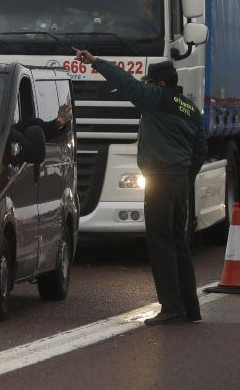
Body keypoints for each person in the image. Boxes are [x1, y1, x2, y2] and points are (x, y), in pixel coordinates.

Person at [73, 47, 206, 325]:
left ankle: (171, 307)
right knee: (179, 242)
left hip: (159, 180)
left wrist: (96, 61)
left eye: (150, 83)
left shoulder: (154, 99)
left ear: (159, 84)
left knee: (160, 243)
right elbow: (200, 150)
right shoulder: (191, 109)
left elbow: (124, 81)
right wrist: (185, 175)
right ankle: (190, 308)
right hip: (180, 180)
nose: (145, 86)